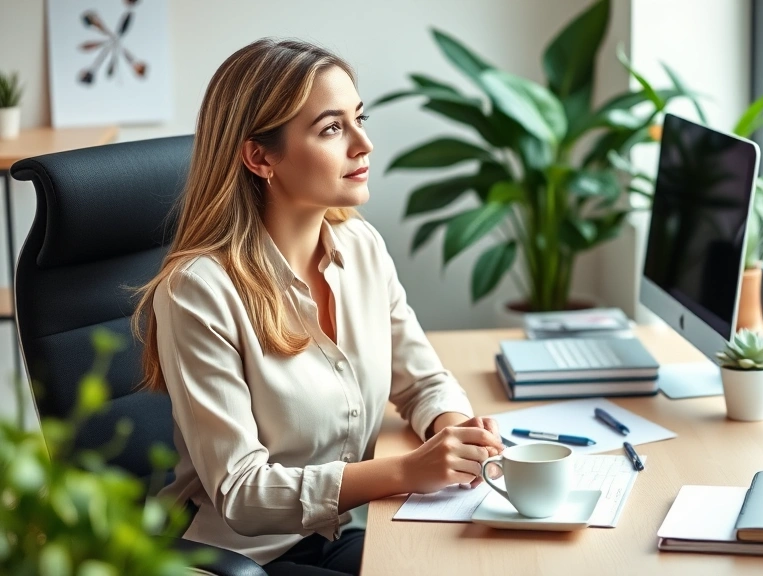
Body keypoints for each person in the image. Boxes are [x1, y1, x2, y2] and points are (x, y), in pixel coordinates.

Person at [131, 38, 504, 576]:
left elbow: (422, 381)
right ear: (261, 157)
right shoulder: (198, 290)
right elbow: (241, 490)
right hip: (238, 557)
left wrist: (458, 435)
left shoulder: (362, 248)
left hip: (337, 533)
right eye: (332, 128)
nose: (364, 144)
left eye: (359, 118)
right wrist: (406, 472)